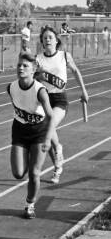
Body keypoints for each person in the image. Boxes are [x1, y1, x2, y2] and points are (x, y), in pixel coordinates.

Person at [35, 26, 89, 184]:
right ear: (42, 42)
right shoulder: (37, 59)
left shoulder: (64, 56)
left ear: (56, 40)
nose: (48, 40)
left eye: (50, 37)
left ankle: (58, 150)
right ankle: (57, 166)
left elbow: (76, 71)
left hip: (59, 99)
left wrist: (84, 91)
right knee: (48, 133)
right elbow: (32, 79)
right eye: (45, 38)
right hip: (43, 99)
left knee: (49, 125)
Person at [7, 52, 55, 219]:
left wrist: (48, 139)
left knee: (34, 173)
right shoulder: (11, 87)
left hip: (38, 132)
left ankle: (30, 204)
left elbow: (51, 116)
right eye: (19, 65)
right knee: (18, 174)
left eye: (25, 66)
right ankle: (27, 159)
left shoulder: (40, 91)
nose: (21, 68)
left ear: (33, 70)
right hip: (19, 130)